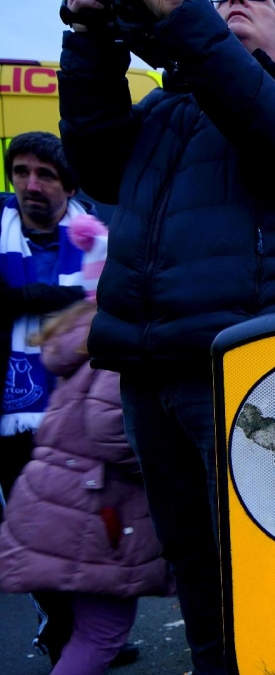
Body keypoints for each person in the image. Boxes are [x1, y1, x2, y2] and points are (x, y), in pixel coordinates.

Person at [58, 0, 275, 672]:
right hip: (152, 373)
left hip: (263, 380)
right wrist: (91, 30)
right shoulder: (162, 115)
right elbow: (96, 163)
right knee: (195, 564)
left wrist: (186, 20)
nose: (233, 2)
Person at [0, 219, 172, 674]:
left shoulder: (89, 336)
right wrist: (168, 454)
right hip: (96, 512)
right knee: (101, 636)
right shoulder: (119, 350)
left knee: (90, 631)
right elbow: (112, 427)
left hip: (70, 503)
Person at [0, 131, 93, 664]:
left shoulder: (96, 239)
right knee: (33, 543)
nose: (30, 185)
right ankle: (61, 640)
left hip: (78, 416)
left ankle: (88, 634)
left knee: (84, 536)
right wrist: (67, 298)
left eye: (46, 175)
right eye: (21, 172)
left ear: (68, 185)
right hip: (10, 421)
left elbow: (109, 305)